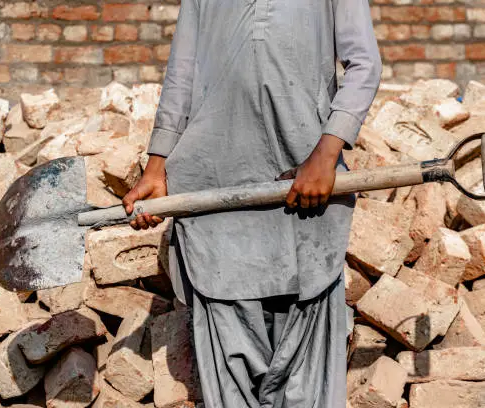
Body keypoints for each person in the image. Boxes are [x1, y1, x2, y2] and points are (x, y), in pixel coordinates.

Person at [123, 0, 382, 406]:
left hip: (305, 200)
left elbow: (365, 64)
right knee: (230, 389)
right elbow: (182, 76)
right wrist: (156, 168)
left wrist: (326, 154)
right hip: (215, 205)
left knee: (307, 391)